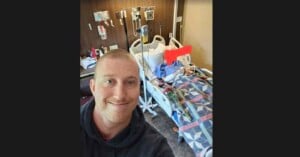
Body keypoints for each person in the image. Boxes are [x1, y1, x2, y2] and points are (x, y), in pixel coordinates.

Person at [80, 48, 175, 157]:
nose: (119, 96)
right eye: (109, 81)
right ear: (93, 87)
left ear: (139, 89)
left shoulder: (156, 150)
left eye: (130, 82)